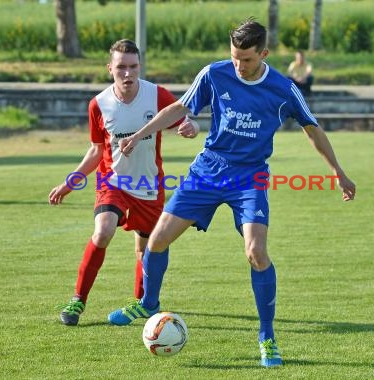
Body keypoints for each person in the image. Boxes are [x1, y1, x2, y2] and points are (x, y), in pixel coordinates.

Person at [107, 19, 356, 367]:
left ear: (264, 54)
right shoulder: (214, 74)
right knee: (157, 240)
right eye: (235, 57)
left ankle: (267, 337)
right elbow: (180, 108)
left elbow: (312, 129)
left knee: (256, 252)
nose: (239, 65)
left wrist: (338, 173)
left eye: (247, 59)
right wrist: (138, 135)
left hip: (249, 178)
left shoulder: (283, 89)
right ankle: (149, 302)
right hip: (208, 171)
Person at [49, 39, 199, 326]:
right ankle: (78, 300)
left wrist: (191, 126)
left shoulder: (157, 95)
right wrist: (71, 182)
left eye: (133, 67)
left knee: (146, 248)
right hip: (113, 182)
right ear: (110, 69)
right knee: (103, 232)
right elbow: (96, 150)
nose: (128, 74)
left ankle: (141, 302)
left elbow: (184, 119)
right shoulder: (99, 104)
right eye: (121, 68)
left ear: (140, 66)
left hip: (148, 185)